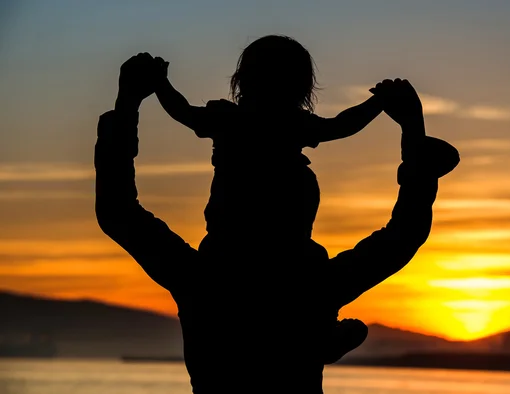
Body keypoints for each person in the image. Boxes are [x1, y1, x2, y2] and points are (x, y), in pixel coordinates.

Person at [95, 53, 459, 393]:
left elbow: (119, 211)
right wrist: (412, 134)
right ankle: (310, 337)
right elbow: (404, 235)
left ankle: (312, 337)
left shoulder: (201, 281)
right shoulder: (315, 286)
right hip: (300, 294)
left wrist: (130, 102)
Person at [151, 35, 388, 362]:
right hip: (256, 241)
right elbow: (342, 126)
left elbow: (182, 110)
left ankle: (318, 330)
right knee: (304, 267)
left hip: (243, 242)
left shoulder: (235, 119)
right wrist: (378, 104)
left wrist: (161, 84)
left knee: (301, 266)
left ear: (242, 80)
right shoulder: (280, 122)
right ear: (304, 88)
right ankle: (319, 333)